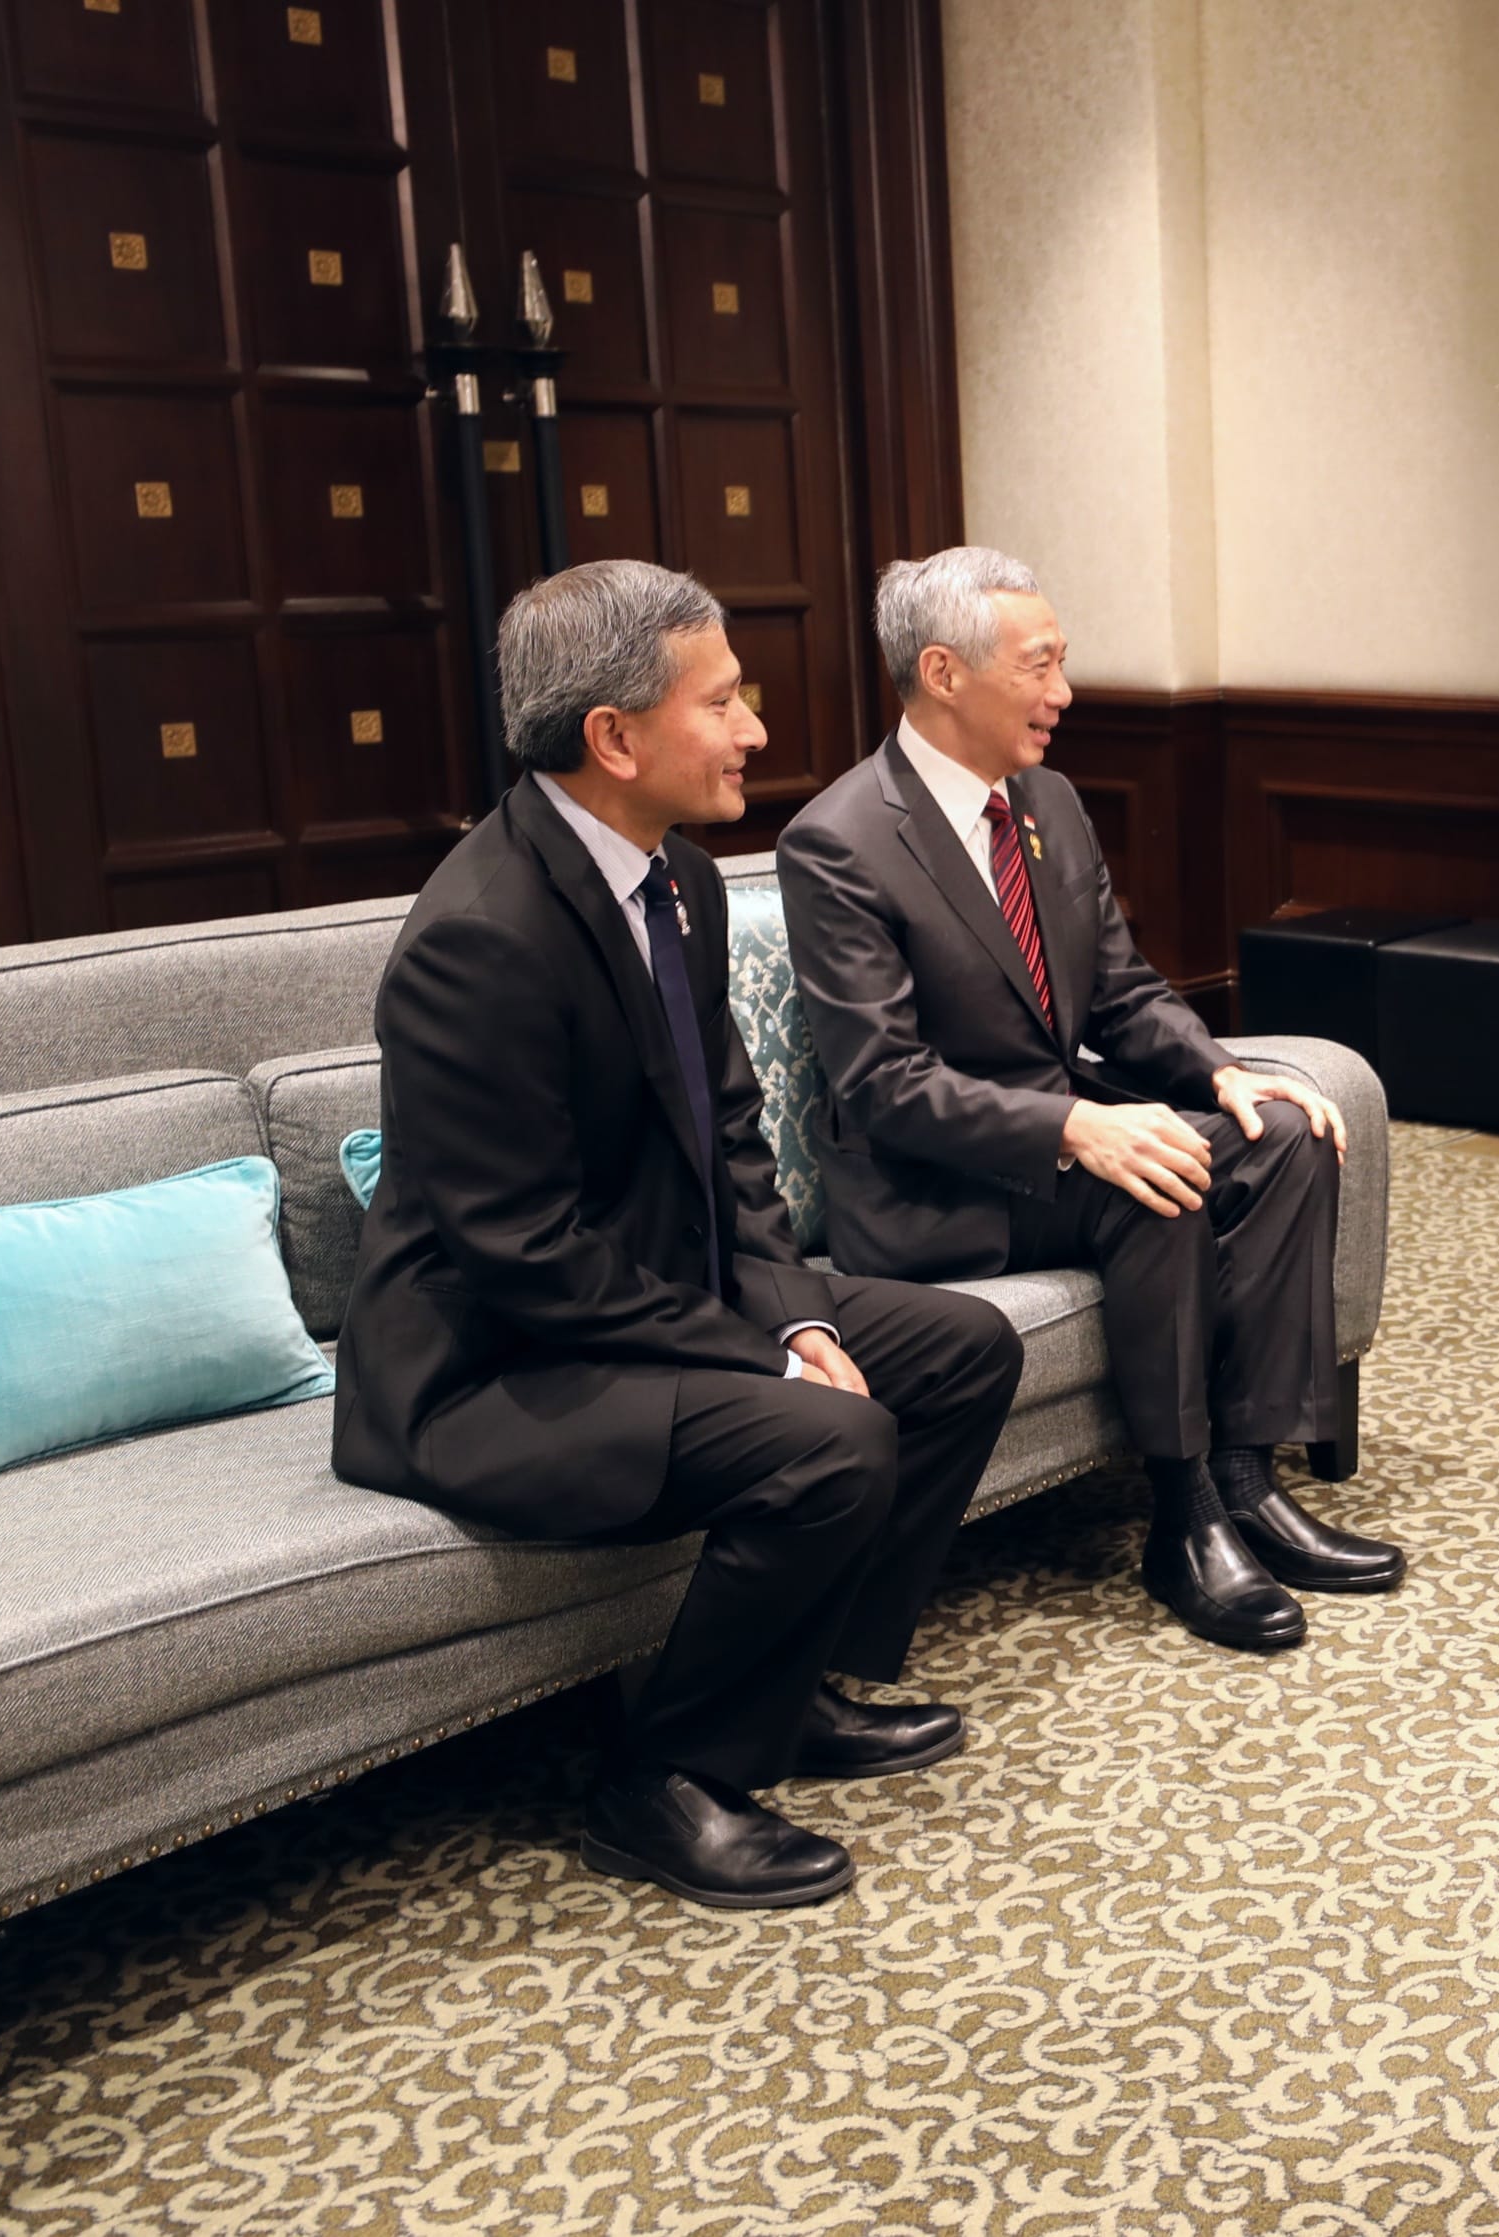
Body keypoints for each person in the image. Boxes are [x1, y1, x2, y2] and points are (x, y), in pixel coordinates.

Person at [335, 560, 1025, 1912]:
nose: (757, 730)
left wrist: (803, 1314)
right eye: (724, 701)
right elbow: (519, 1252)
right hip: (491, 1370)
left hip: (648, 1301)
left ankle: (792, 1681)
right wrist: (759, 1358)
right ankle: (668, 1779)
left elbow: (730, 1149)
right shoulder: (481, 937)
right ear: (615, 735)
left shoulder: (686, 885)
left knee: (958, 1352)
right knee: (830, 1438)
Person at [773, 547, 1394, 1656]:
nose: (1064, 694)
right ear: (944, 673)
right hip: (936, 1184)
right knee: (1148, 1177)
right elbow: (882, 1083)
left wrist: (1218, 1071)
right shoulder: (839, 841)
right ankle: (1183, 1511)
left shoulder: (1048, 802)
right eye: (1041, 666)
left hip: (1059, 1134)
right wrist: (1073, 1126)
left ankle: (1251, 1480)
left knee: (1286, 1133)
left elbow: (1117, 988)